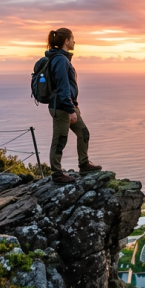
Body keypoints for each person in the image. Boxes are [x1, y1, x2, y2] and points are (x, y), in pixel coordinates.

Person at [44, 28, 101, 183]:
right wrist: (70, 110)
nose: (75, 41)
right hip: (62, 107)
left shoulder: (61, 58)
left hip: (68, 105)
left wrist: (73, 106)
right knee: (60, 140)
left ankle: (84, 164)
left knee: (84, 133)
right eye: (73, 38)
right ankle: (57, 174)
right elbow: (63, 86)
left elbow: (67, 86)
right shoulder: (60, 60)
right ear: (66, 41)